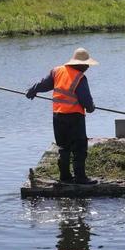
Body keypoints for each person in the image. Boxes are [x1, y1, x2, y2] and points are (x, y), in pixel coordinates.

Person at [26, 47, 98, 185]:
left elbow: (44, 84)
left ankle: (65, 177)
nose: (88, 67)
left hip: (58, 116)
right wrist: (91, 108)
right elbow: (86, 101)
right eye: (87, 64)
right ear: (79, 64)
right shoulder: (80, 78)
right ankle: (80, 178)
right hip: (74, 117)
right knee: (79, 147)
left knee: (64, 147)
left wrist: (33, 90)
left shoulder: (57, 71)